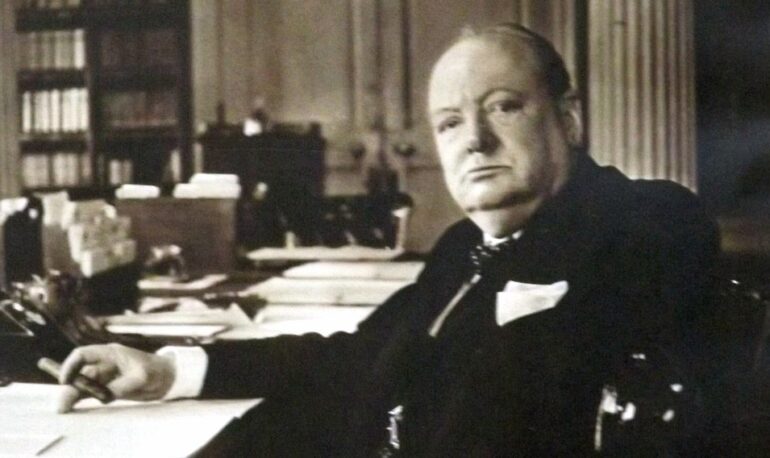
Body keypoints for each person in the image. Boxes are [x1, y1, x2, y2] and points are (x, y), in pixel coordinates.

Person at [55, 23, 719, 456]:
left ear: (568, 121)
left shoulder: (647, 220)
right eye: (451, 122)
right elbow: (365, 355)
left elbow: (506, 398)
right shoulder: (464, 245)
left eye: (502, 107)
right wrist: (170, 369)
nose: (475, 141)